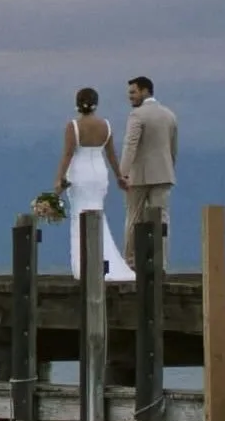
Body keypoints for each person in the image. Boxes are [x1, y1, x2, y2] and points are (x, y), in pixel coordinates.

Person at [54, 88, 135, 282]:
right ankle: (103, 260)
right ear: (96, 104)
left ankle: (84, 264)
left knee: (79, 215)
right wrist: (119, 176)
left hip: (80, 173)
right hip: (98, 173)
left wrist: (59, 178)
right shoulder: (105, 126)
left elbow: (68, 154)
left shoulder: (73, 126)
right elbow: (111, 154)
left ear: (77, 104)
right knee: (97, 213)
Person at [120, 75, 178, 267]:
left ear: (145, 91)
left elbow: (130, 145)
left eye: (133, 92)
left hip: (139, 175)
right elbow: (173, 148)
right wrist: (169, 169)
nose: (130, 96)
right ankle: (161, 262)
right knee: (162, 219)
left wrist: (122, 173)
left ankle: (130, 262)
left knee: (134, 217)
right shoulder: (169, 115)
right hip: (164, 174)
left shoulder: (137, 115)